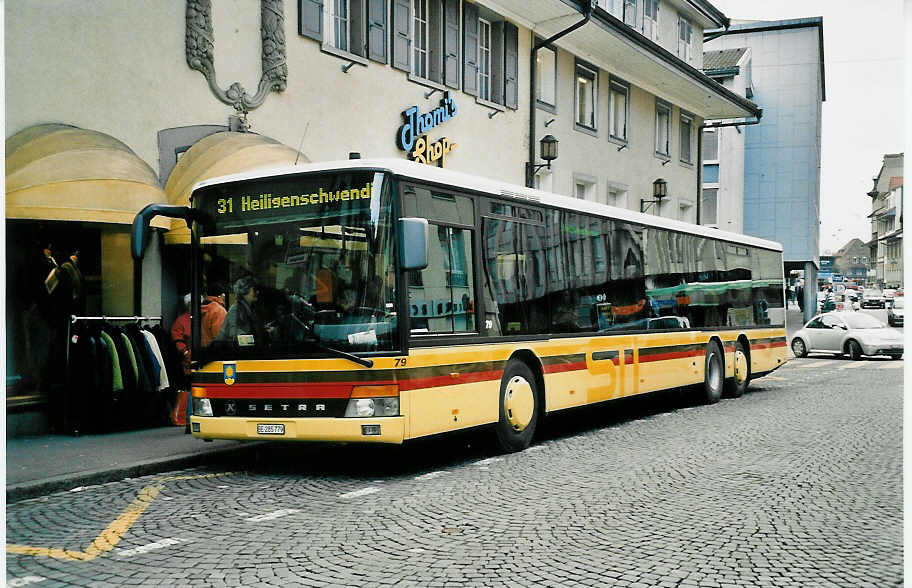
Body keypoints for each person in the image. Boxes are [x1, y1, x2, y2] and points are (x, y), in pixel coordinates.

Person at [217, 277, 266, 345]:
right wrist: (254, 342)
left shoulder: (250, 309)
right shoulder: (236, 310)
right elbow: (236, 336)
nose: (257, 292)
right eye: (254, 290)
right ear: (244, 291)